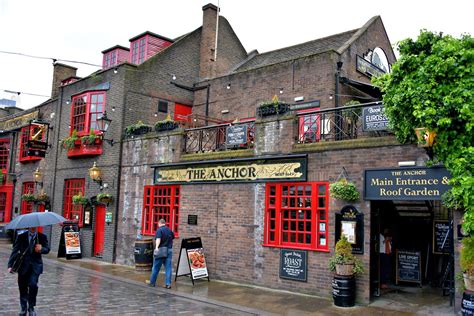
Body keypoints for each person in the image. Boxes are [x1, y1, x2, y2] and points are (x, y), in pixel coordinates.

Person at [7, 227, 50, 316]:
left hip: (35, 267)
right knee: (22, 287)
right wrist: (10, 265)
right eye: (32, 226)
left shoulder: (42, 237)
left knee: (33, 285)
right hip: (23, 266)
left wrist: (41, 249)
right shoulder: (21, 237)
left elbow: (47, 249)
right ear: (29, 226)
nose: (33, 227)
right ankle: (23, 308)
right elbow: (15, 250)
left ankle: (31, 308)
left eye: (35, 226)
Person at [148, 219, 174, 288]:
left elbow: (158, 239)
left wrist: (156, 247)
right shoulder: (169, 230)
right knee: (168, 268)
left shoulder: (159, 230)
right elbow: (172, 238)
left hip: (161, 250)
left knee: (156, 267)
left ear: (159, 223)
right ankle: (168, 284)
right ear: (164, 223)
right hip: (169, 250)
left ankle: (152, 282)